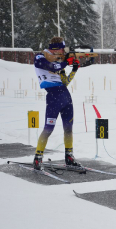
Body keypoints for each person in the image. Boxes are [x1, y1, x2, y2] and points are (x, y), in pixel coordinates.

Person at [33, 37, 81, 170]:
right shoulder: (40, 57)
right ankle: (38, 158)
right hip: (53, 96)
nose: (63, 52)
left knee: (68, 128)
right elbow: (51, 66)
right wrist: (66, 62)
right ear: (56, 48)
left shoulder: (60, 61)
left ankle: (69, 156)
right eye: (62, 49)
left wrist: (74, 69)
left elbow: (65, 81)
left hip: (65, 95)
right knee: (48, 128)